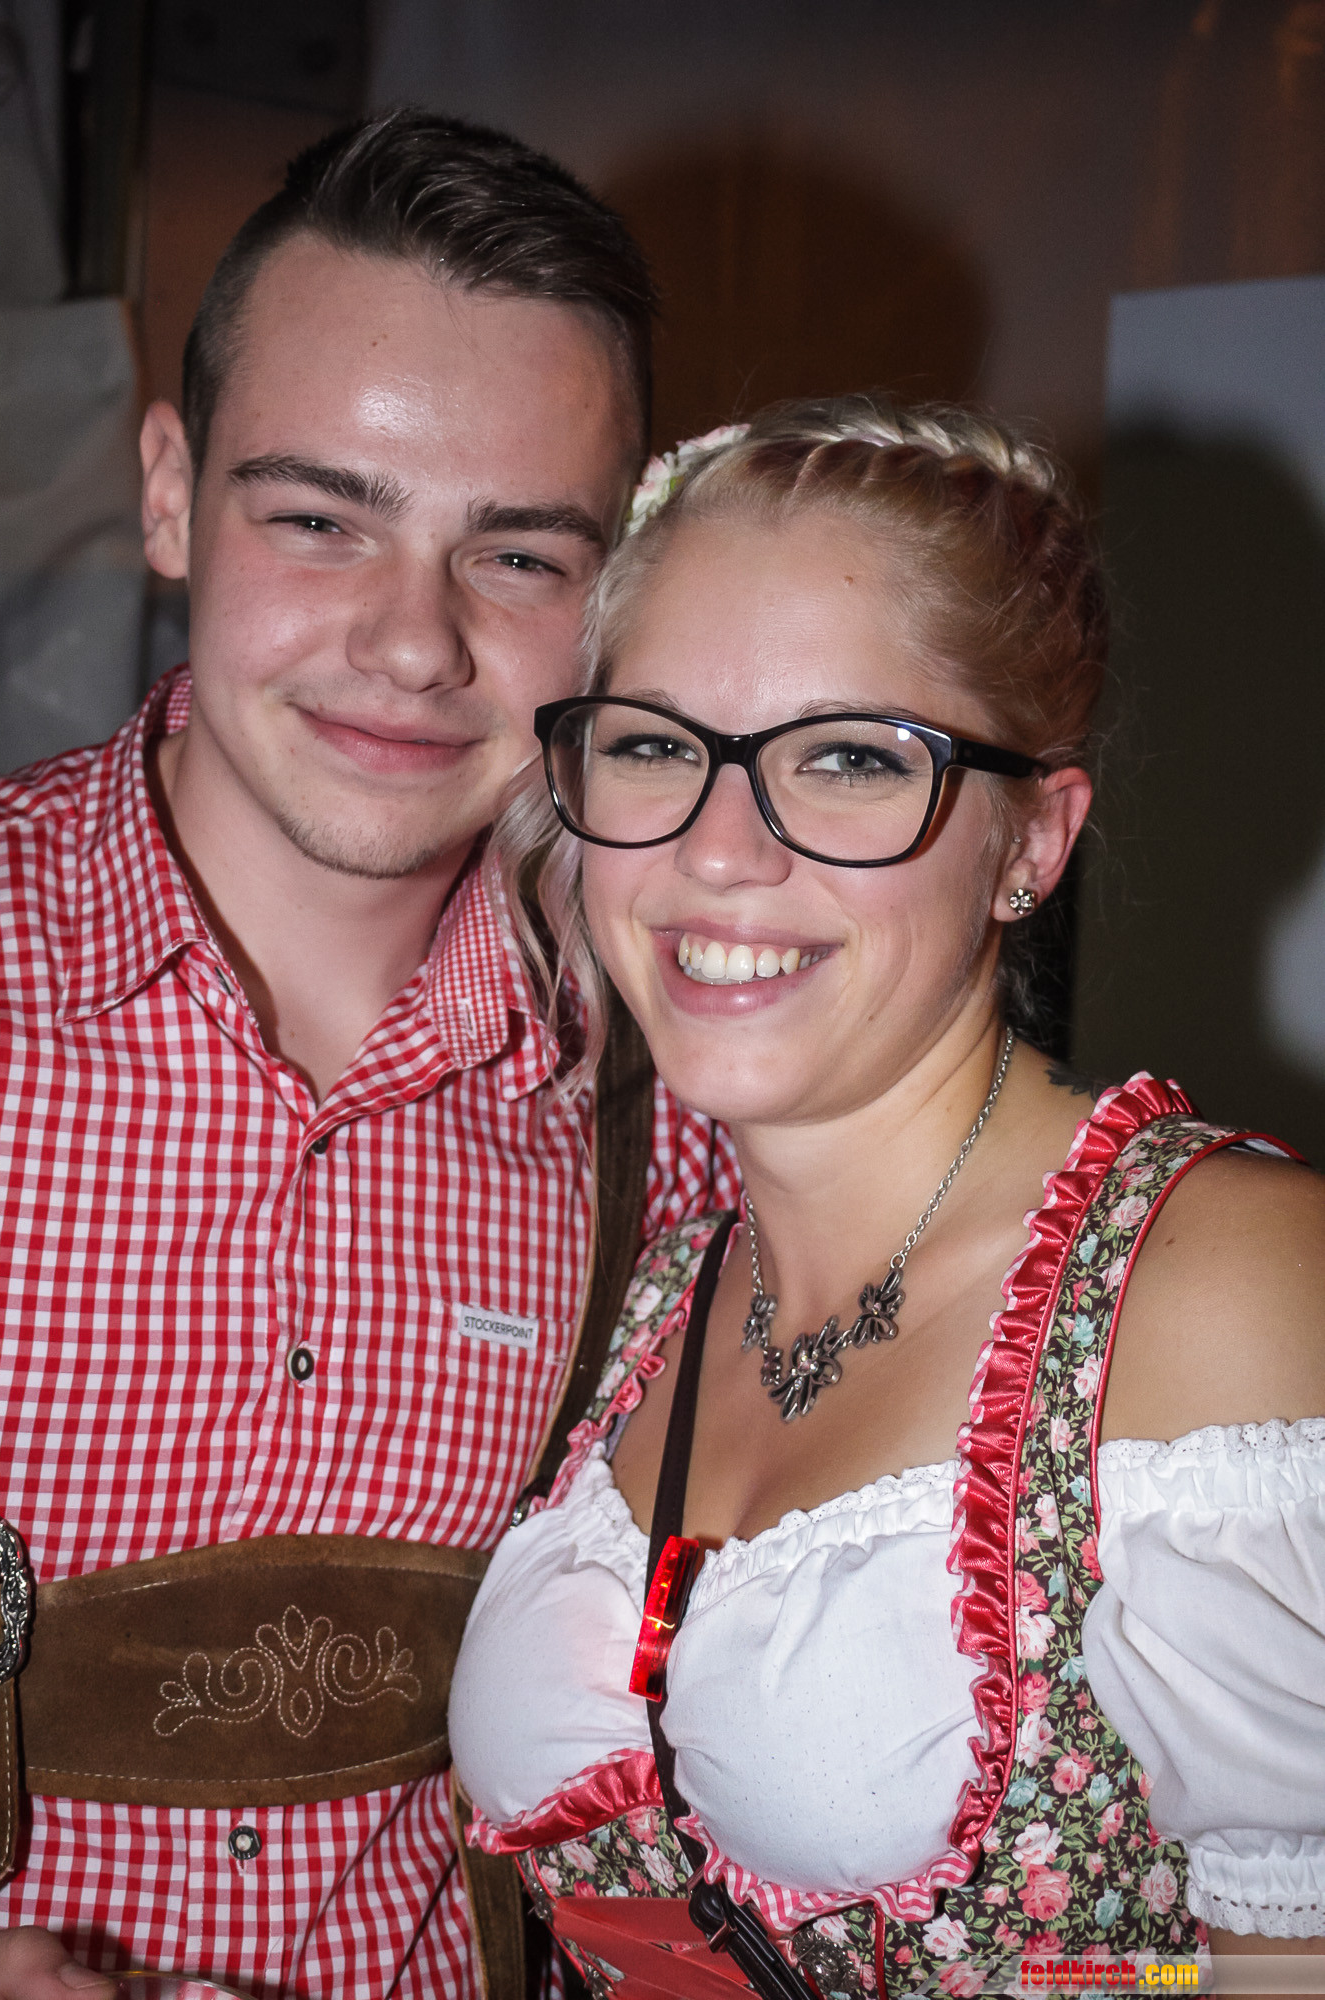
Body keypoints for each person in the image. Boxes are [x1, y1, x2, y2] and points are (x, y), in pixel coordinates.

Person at [0, 110, 736, 1999]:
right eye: (321, 520)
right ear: (171, 495)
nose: (414, 646)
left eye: (519, 554)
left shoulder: (679, 1110)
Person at [449, 398, 1325, 1996]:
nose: (720, 852)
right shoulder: (659, 1288)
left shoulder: (1222, 1289)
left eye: (849, 759)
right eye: (652, 745)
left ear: (1032, 840)